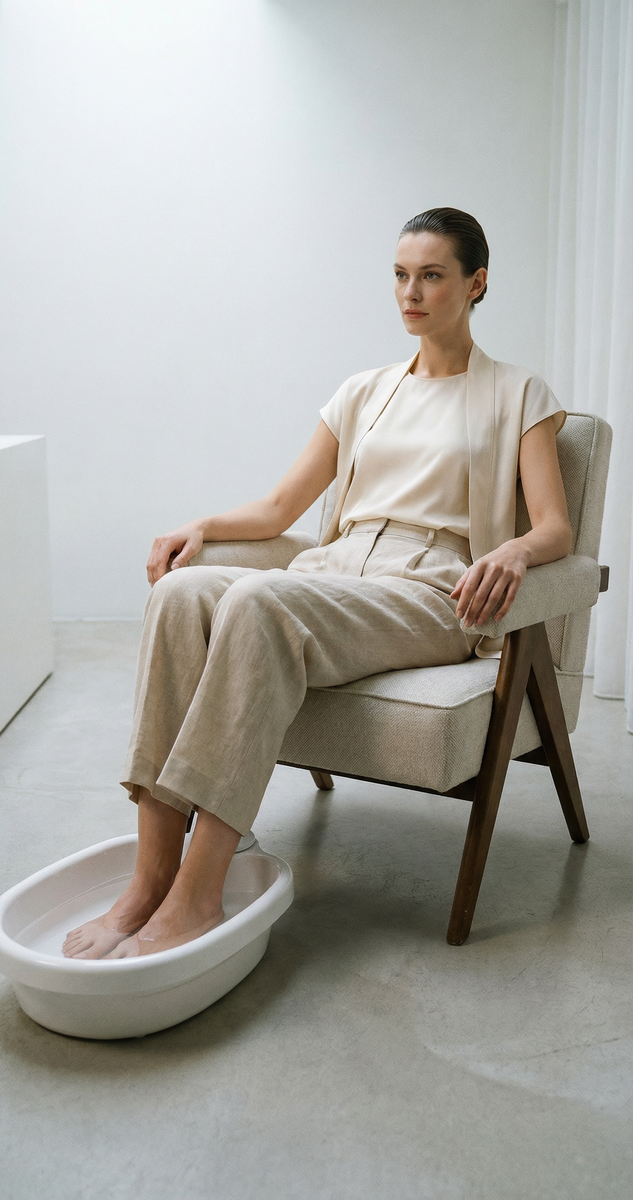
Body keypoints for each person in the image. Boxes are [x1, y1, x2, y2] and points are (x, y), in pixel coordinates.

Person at [63, 207, 571, 960]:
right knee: (177, 593)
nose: (410, 292)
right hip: (335, 573)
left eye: (432, 275)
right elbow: (280, 507)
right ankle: (152, 874)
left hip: (432, 590)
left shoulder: (519, 392)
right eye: (400, 275)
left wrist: (516, 552)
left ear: (477, 283)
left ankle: (199, 893)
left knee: (258, 600)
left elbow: (556, 526)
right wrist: (200, 526)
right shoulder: (363, 391)